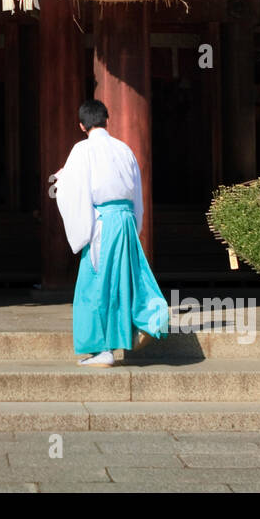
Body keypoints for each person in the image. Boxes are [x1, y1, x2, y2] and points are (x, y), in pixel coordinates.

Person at [52, 99, 169, 366]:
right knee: (125, 281)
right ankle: (146, 321)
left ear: (82, 125)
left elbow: (74, 189)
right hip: (125, 221)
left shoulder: (82, 150)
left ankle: (103, 349)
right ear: (108, 119)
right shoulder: (124, 149)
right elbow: (137, 193)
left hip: (101, 222)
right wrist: (135, 225)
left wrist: (61, 180)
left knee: (96, 286)